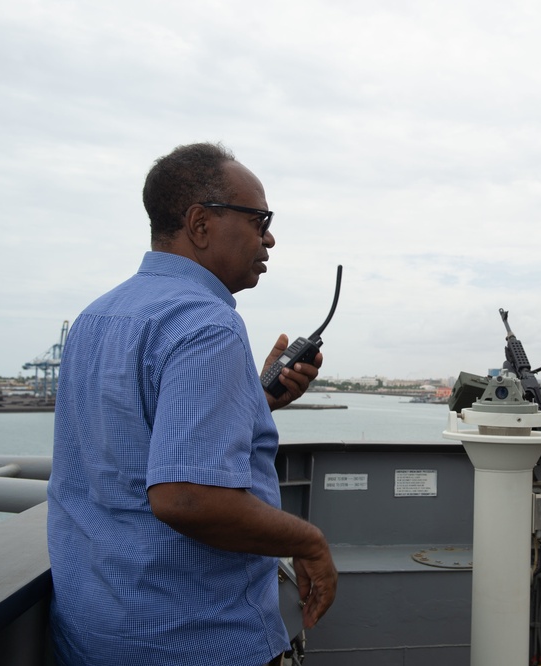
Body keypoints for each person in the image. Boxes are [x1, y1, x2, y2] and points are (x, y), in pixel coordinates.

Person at [47, 142, 338, 666]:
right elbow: (185, 497)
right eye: (259, 219)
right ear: (200, 224)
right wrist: (310, 541)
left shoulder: (96, 317)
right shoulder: (207, 325)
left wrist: (253, 401)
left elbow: (132, 446)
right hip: (195, 639)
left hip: (93, 631)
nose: (269, 238)